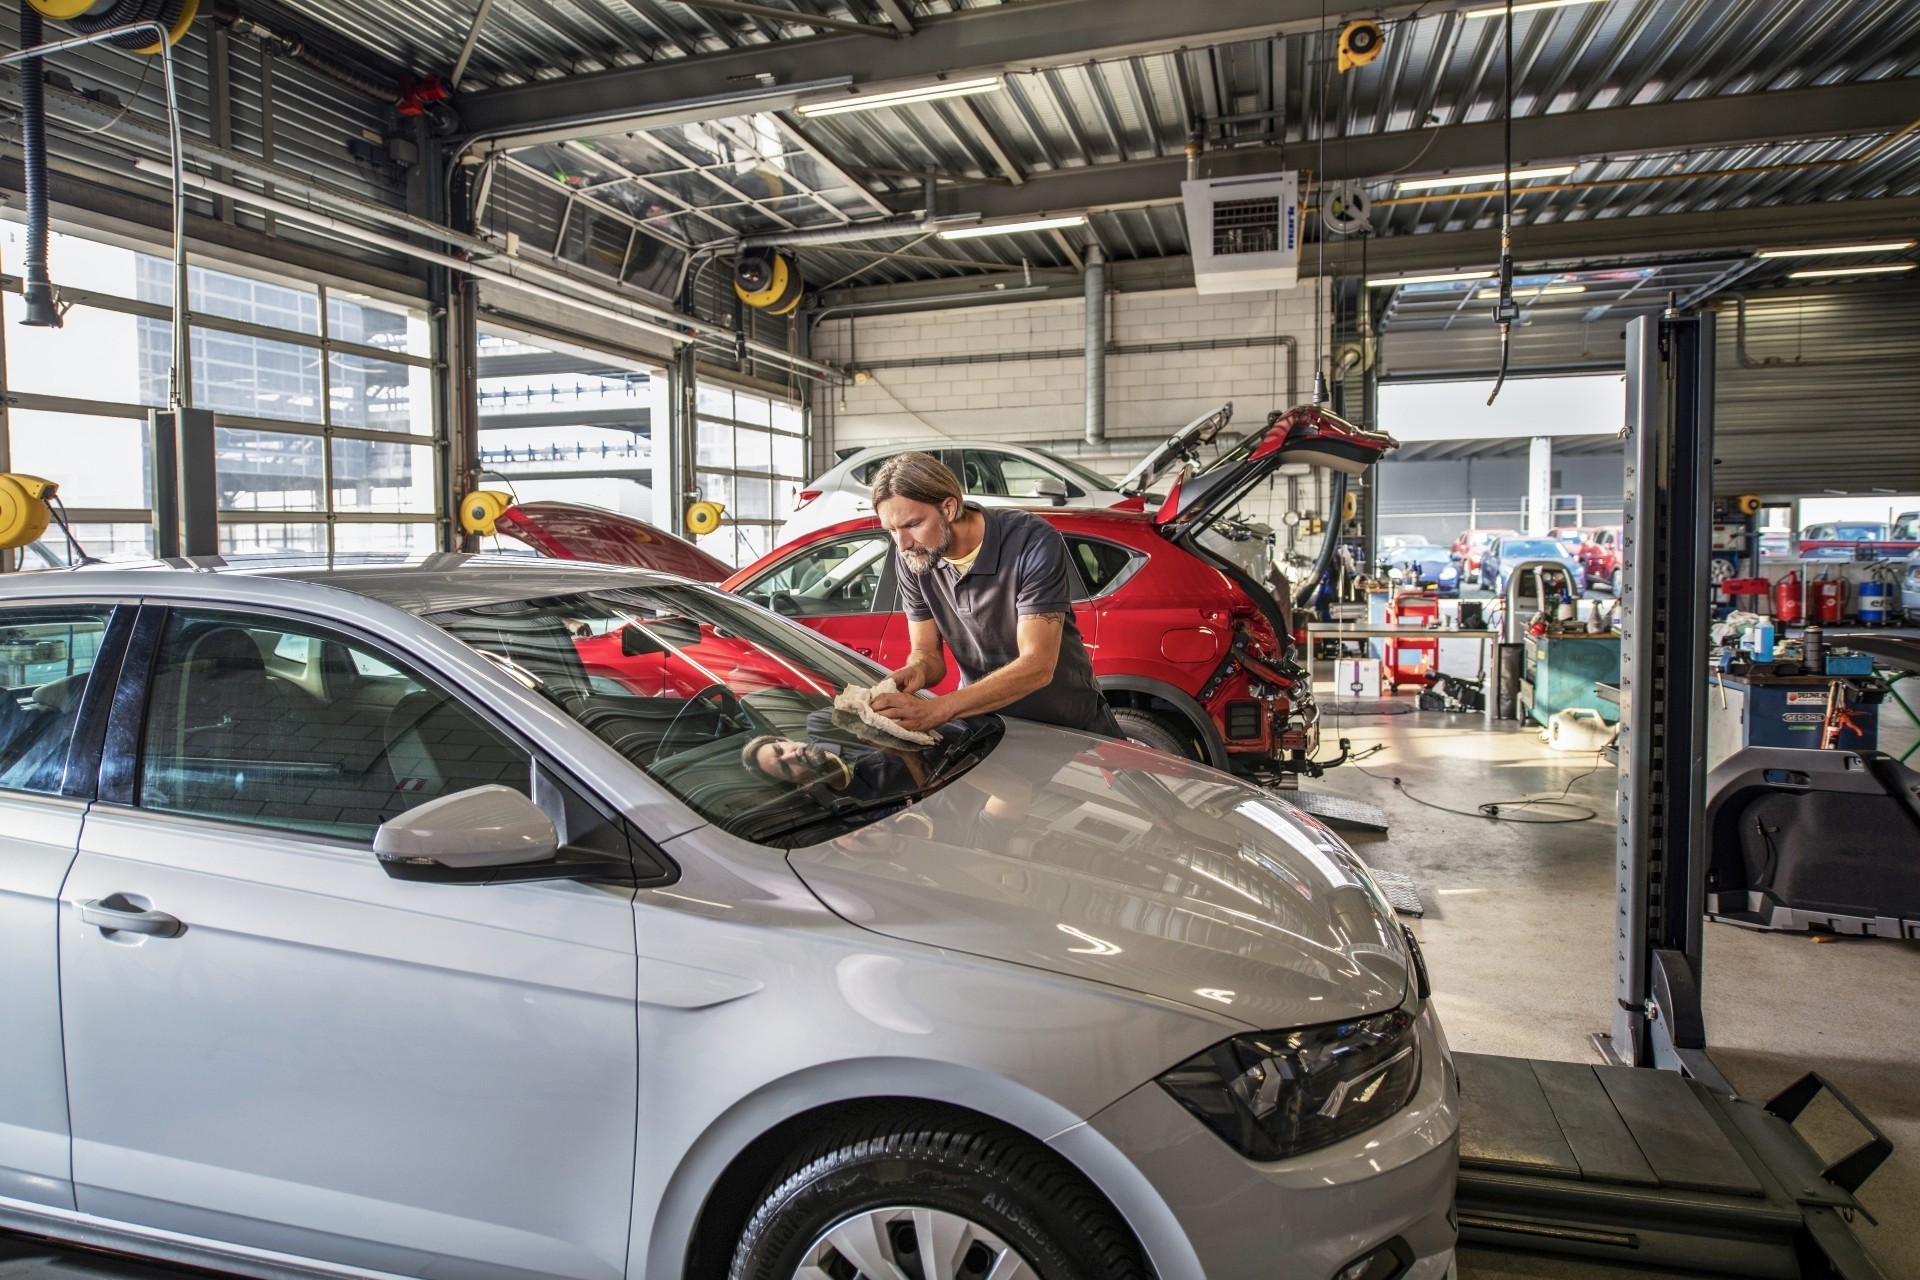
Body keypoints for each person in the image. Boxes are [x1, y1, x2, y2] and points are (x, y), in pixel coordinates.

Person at [865, 452, 1121, 737]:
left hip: (1067, 724)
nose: (902, 544)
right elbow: (927, 653)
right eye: (891, 530)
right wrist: (919, 669)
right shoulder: (913, 558)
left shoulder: (1031, 541)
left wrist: (937, 709)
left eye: (912, 524)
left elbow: (1038, 665)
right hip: (986, 724)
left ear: (949, 508)